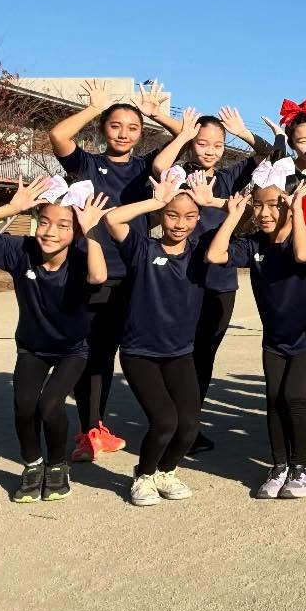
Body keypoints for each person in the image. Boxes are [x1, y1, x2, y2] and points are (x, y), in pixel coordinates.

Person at [0, 177, 110, 502]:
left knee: (50, 406)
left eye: (63, 225)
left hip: (71, 350)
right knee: (24, 407)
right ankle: (33, 465)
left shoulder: (82, 256)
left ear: (75, 232)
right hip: (32, 347)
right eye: (45, 222)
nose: (50, 232)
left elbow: (99, 277)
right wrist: (12, 207)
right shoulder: (20, 250)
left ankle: (56, 465)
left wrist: (90, 231)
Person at [48, 79, 181, 461]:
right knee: (95, 353)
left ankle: (165, 423)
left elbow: (183, 141)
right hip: (95, 271)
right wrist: (92, 107)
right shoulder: (88, 163)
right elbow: (58, 135)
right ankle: (91, 429)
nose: (124, 133)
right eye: (115, 125)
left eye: (133, 128)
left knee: (138, 351)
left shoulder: (146, 168)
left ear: (141, 135)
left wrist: (159, 115)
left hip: (136, 272)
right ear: (103, 129)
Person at [206, 171, 306, 499]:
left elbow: (303, 256)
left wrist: (298, 211)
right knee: (273, 399)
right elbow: (216, 256)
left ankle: (302, 466)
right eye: (258, 206)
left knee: (293, 397)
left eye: (275, 204)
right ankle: (280, 466)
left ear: (290, 204)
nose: (265, 213)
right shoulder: (253, 244)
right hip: (274, 337)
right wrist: (233, 217)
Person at [150, 106, 265, 453]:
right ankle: (169, 423)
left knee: (203, 358)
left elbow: (269, 154)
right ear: (191, 144)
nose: (209, 150)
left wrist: (245, 132)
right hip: (180, 279)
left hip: (219, 281)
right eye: (202, 143)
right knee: (177, 353)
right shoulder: (177, 174)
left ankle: (190, 427)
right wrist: (182, 133)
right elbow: (157, 167)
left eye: (217, 144)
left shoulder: (229, 178)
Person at [103, 175, 209, 507]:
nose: (180, 223)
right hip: (140, 352)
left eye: (190, 216)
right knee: (165, 421)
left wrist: (209, 202)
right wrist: (156, 201)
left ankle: (166, 471)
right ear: (161, 216)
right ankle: (144, 476)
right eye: (172, 215)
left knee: (189, 426)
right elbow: (112, 218)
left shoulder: (201, 252)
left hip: (180, 353)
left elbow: (242, 217)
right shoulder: (142, 249)